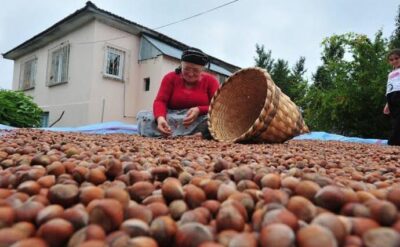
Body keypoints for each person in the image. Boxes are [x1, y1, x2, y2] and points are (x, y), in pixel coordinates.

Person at [137, 47, 220, 138]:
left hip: (198, 120)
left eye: (196, 70)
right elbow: (160, 101)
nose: (190, 74)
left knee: (216, 120)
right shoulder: (170, 78)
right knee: (143, 116)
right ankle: (189, 135)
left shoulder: (211, 81)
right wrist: (160, 119)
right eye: (186, 69)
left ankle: (199, 134)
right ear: (181, 66)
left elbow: (217, 106)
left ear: (202, 70)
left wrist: (199, 109)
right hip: (172, 118)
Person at [383, 48, 400, 145]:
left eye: (396, 58)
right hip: (391, 96)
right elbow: (389, 87)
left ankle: (393, 143)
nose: (394, 61)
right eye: (391, 59)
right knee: (394, 119)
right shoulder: (391, 73)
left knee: (398, 119)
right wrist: (387, 104)